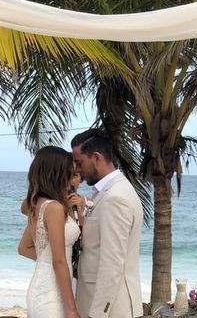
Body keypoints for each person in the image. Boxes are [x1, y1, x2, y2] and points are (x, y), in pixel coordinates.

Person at [71, 129, 143, 318]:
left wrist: (98, 314)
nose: (77, 170)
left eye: (79, 162)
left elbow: (112, 262)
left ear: (96, 158)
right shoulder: (111, 192)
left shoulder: (115, 197)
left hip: (111, 310)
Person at [18, 146, 81, 318]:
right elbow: (58, 261)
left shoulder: (35, 204)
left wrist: (45, 261)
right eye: (69, 172)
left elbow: (24, 248)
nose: (72, 177)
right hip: (51, 294)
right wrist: (73, 310)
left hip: (44, 286)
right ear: (57, 173)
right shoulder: (53, 208)